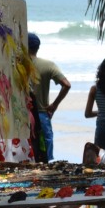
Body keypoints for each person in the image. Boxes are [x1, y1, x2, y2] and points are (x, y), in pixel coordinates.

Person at [28, 32, 71, 162]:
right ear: (38, 47)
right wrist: (54, 105)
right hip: (41, 113)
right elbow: (66, 85)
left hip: (21, 115)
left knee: (25, 152)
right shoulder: (48, 65)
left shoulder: (17, 65)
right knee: (44, 152)